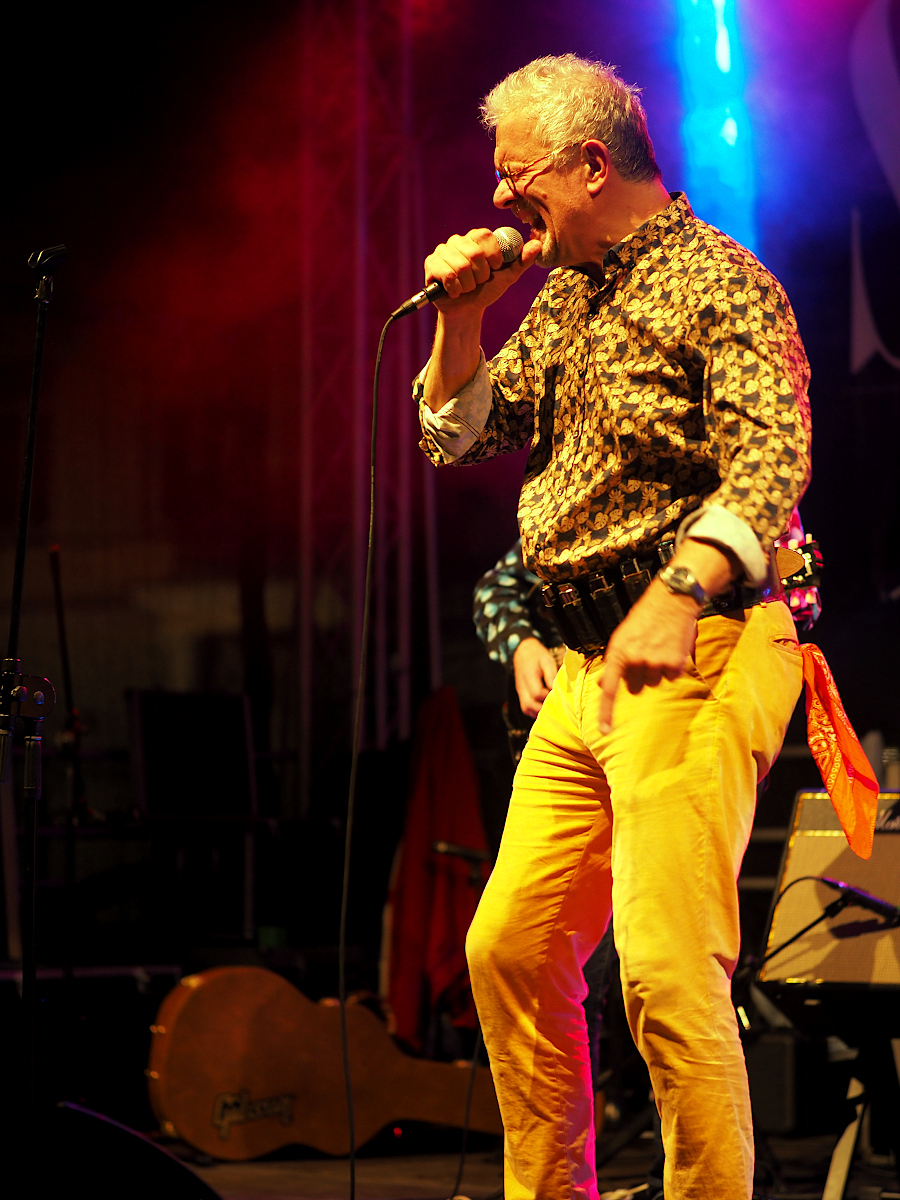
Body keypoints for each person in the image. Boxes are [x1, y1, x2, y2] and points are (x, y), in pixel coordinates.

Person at [415, 53, 811, 1200]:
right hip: (590, 671)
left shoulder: (721, 282)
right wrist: (462, 320)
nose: (499, 196)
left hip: (704, 641)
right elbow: (456, 434)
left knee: (667, 970)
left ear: (592, 165)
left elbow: (772, 464)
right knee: (511, 946)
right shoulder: (566, 296)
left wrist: (678, 594)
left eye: (517, 173)